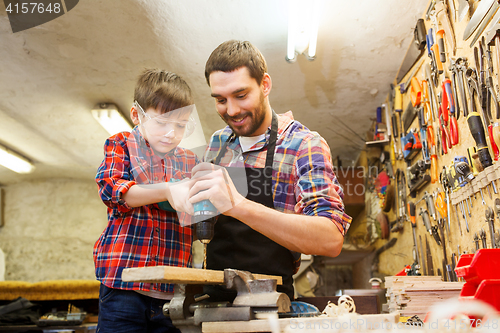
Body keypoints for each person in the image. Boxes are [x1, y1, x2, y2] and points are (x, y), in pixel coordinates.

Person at [189, 40, 352, 301]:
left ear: (265, 84)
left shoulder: (303, 145)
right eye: (220, 100)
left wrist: (237, 205)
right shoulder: (218, 143)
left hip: (271, 305)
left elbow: (331, 240)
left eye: (241, 96)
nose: (231, 110)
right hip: (214, 300)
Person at [94, 69, 198, 332]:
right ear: (136, 115)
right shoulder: (121, 144)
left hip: (171, 292)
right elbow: (113, 191)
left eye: (181, 125)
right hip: (123, 287)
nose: (171, 133)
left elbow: (199, 219)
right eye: (161, 122)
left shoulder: (190, 160)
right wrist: (167, 190)